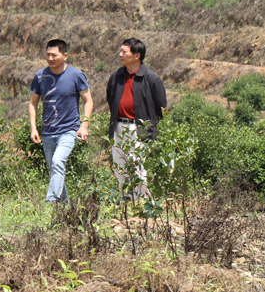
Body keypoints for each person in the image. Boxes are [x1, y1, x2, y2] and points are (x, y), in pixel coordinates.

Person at [28, 39, 94, 203]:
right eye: (48, 55)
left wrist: (84, 126)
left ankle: (51, 200)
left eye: (54, 55)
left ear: (65, 55)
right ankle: (64, 208)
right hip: (48, 132)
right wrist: (33, 128)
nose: (50, 58)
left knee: (58, 162)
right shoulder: (40, 76)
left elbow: (88, 101)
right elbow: (32, 103)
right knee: (55, 170)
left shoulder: (76, 75)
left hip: (69, 130)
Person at [106, 38, 167, 195]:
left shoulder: (151, 79)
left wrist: (149, 125)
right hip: (118, 127)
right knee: (119, 166)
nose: (120, 55)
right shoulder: (116, 77)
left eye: (124, 52)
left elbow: (161, 106)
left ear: (137, 55)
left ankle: (140, 202)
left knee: (138, 166)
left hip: (139, 129)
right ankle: (126, 201)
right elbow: (110, 98)